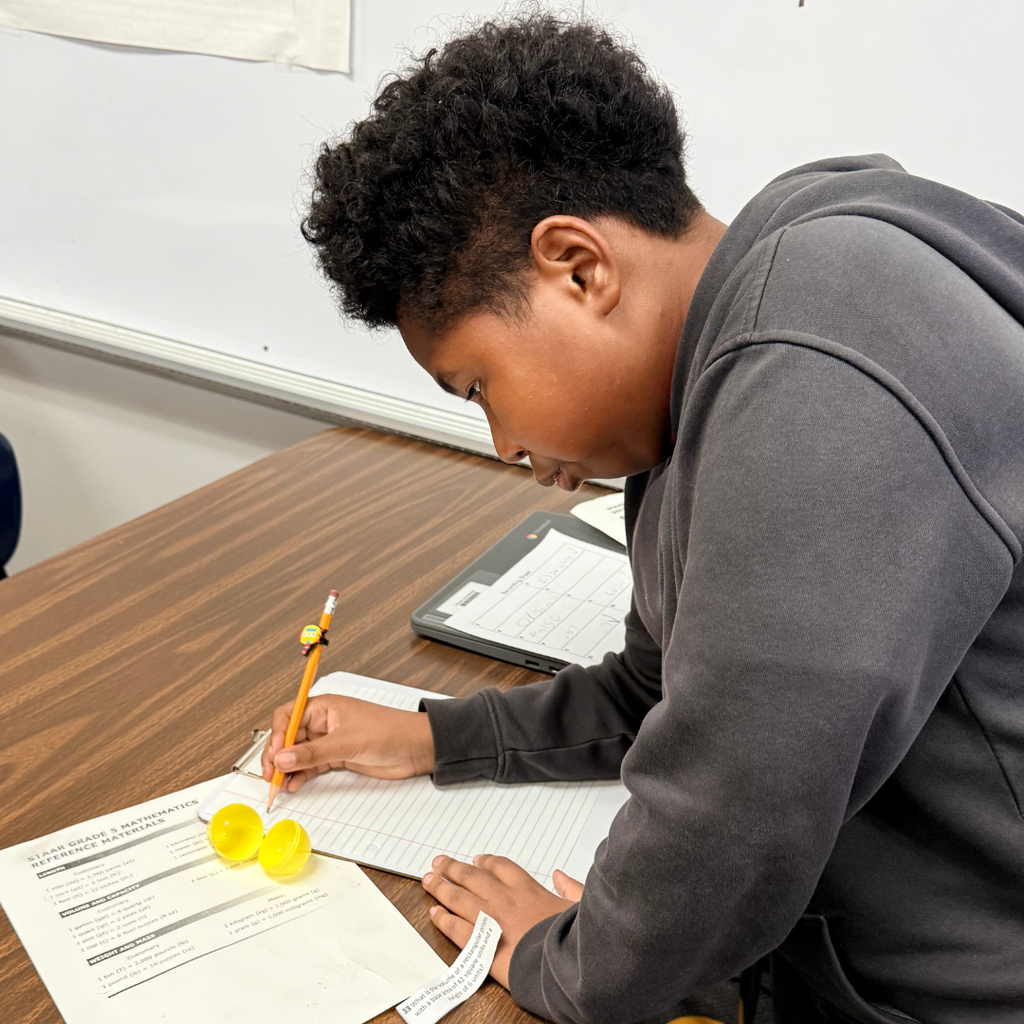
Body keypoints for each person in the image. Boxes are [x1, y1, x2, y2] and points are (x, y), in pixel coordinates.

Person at [261, 15, 1024, 1024]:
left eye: (478, 385)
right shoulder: (725, 356)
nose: (502, 444)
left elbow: (733, 817)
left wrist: (558, 959)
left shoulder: (814, 363)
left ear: (578, 266)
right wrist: (432, 738)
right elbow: (661, 691)